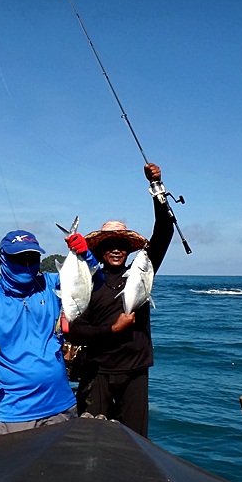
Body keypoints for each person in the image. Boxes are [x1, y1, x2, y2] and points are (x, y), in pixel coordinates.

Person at [0, 229, 94, 436]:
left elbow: (94, 286)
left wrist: (86, 256)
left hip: (63, 407)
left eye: (33, 257)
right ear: (3, 259)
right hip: (17, 416)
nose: (27, 263)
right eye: (19, 257)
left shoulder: (52, 286)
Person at [64, 163, 174, 437]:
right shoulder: (86, 280)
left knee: (136, 441)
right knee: (91, 438)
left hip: (135, 370)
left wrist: (157, 188)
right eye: (108, 244)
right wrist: (112, 329)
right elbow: (76, 330)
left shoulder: (141, 270)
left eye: (122, 244)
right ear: (99, 250)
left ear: (129, 250)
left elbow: (164, 231)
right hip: (96, 371)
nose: (116, 248)